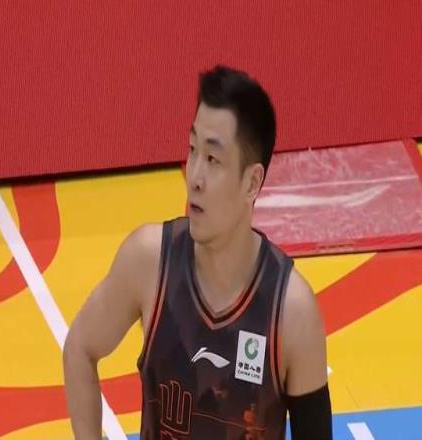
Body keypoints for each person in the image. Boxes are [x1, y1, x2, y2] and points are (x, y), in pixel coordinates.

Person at [63, 65, 332, 440]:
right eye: (193, 150)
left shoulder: (292, 312)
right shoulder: (149, 262)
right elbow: (80, 347)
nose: (194, 177)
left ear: (252, 182)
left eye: (213, 160)